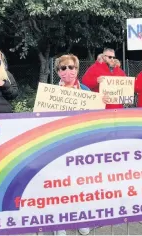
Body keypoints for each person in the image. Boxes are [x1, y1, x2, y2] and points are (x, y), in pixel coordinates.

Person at [54, 54, 100, 235]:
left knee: (82, 184)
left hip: (81, 145)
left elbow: (94, 119)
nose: (68, 71)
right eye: (63, 68)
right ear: (58, 71)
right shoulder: (50, 94)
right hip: (58, 145)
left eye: (71, 67)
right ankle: (59, 224)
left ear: (77, 69)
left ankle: (82, 218)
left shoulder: (87, 92)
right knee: (60, 185)